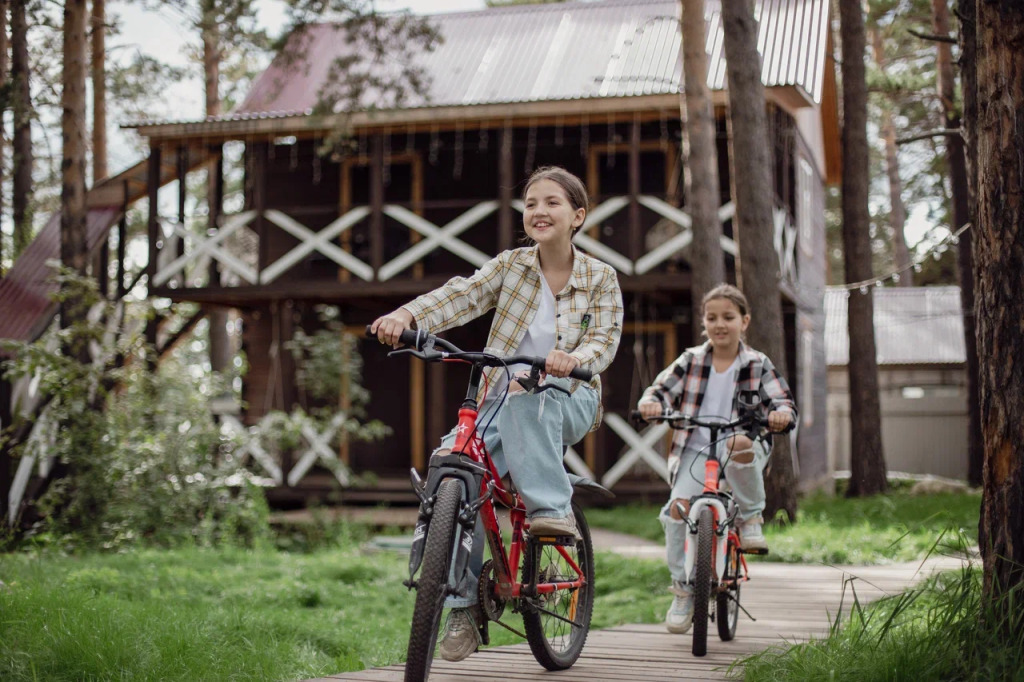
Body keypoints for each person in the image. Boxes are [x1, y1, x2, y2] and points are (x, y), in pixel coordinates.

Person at [371, 165, 623, 662]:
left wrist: (574, 360)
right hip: (502, 392)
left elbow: (604, 340)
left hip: (570, 395)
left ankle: (552, 513)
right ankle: (462, 605)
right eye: (530, 203)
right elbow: (462, 293)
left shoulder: (601, 277)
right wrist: (409, 316)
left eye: (552, 202)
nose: (538, 211)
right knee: (453, 464)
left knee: (530, 401)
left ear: (578, 215)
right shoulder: (511, 266)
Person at [636, 284, 796, 635]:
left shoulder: (757, 363)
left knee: (739, 441)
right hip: (694, 448)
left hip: (740, 447)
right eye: (712, 318)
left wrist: (781, 415)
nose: (720, 324)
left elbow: (781, 401)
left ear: (745, 321)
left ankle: (751, 519)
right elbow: (660, 390)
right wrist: (652, 403)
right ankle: (682, 590)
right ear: (703, 322)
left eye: (728, 317)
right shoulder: (691, 359)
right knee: (678, 509)